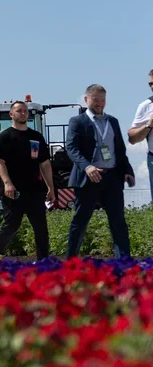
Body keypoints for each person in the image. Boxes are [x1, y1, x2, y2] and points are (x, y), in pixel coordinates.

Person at [65, 84, 136, 258]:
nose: (100, 103)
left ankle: (124, 261)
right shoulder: (77, 121)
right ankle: (70, 261)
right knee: (80, 221)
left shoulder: (113, 121)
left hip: (112, 177)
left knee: (118, 221)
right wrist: (87, 167)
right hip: (89, 177)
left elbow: (119, 150)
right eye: (95, 99)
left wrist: (127, 170)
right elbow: (72, 148)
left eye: (103, 100)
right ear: (86, 99)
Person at [0, 101, 56, 261]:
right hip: (13, 190)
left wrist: (51, 188)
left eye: (25, 111)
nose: (23, 113)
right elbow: (0, 162)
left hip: (34, 189)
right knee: (12, 224)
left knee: (40, 227)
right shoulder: (5, 136)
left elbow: (45, 163)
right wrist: (7, 183)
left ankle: (43, 261)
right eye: (19, 111)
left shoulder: (36, 137)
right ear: (12, 114)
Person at [129, 68, 153, 199]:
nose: (152, 86)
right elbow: (132, 138)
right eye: (150, 84)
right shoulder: (146, 106)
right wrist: (149, 125)